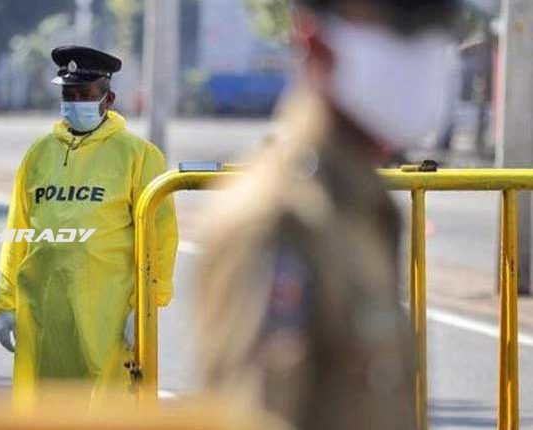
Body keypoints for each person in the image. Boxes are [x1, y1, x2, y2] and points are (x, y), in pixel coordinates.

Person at [196, 1, 459, 429]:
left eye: (435, 26)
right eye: (400, 27)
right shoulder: (278, 219)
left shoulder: (357, 202)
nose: (425, 50)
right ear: (315, 40)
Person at [0, 45, 178, 406]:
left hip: (107, 313)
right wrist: (5, 302)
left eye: (85, 94)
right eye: (69, 95)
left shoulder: (137, 155)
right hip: (44, 309)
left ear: (108, 99)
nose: (75, 102)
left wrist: (145, 305)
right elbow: (18, 229)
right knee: (46, 404)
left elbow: (161, 237)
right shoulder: (39, 153)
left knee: (106, 407)